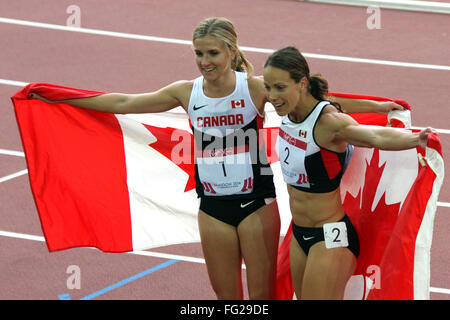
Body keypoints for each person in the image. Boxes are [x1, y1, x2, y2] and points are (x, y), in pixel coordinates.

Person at [29, 17, 405, 300]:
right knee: (227, 301)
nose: (204, 61)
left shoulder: (255, 89)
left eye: (212, 53)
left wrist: (377, 105)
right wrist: (59, 96)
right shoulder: (185, 92)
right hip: (212, 208)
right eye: (198, 53)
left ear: (230, 52)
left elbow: (318, 103)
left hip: (256, 205)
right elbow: (125, 103)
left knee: (260, 300)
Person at [263, 46, 435, 300]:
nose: (271, 96)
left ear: (301, 84)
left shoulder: (329, 123)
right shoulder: (291, 110)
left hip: (330, 237)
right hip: (300, 235)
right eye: (267, 87)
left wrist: (415, 139)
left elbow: (374, 136)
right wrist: (376, 106)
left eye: (279, 87)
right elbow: (332, 99)